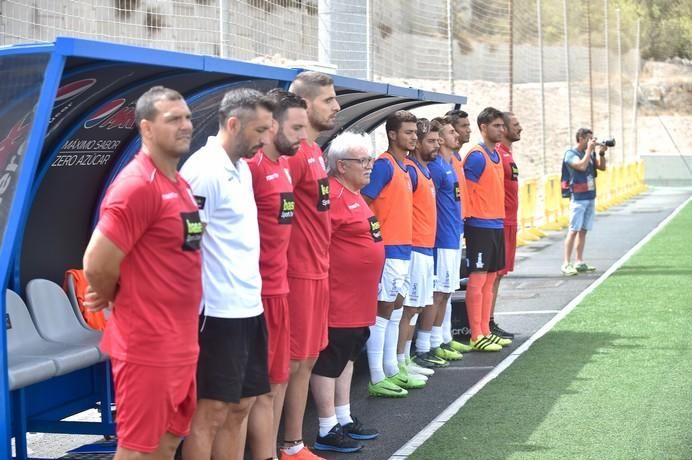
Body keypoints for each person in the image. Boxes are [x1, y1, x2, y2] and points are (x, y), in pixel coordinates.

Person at [83, 86, 202, 459]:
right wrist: (115, 294)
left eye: (186, 117)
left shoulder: (177, 182)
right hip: (147, 345)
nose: (185, 125)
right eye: (173, 119)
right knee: (137, 450)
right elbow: (96, 262)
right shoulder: (137, 186)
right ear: (147, 128)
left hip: (181, 342)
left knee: (168, 442)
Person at [179, 88, 274, 460]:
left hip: (249, 306)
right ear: (233, 124)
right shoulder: (203, 171)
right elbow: (185, 246)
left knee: (242, 407)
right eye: (259, 131)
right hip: (216, 313)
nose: (266, 139)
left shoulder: (242, 168)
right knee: (211, 413)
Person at [310, 132, 385, 453]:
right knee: (331, 360)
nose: (370, 166)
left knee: (349, 356)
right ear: (341, 165)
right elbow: (315, 243)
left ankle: (343, 416)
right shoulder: (331, 196)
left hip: (360, 297)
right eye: (363, 161)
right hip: (339, 297)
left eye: (370, 159)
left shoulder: (353, 193)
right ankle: (326, 427)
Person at [246, 89, 308, 459]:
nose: (303, 135)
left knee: (276, 382)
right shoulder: (251, 168)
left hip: (280, 289)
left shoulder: (283, 165)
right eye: (296, 127)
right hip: (256, 295)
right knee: (253, 394)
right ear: (271, 125)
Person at [282, 71, 340, 460]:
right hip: (297, 273)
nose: (336, 106)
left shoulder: (316, 153)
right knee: (293, 363)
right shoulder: (297, 155)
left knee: (309, 358)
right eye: (328, 100)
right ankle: (288, 444)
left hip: (318, 270)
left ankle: (294, 443)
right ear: (303, 105)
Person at [361, 110, 416, 398]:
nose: (413, 137)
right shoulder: (383, 165)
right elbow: (363, 201)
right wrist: (374, 236)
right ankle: (377, 375)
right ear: (392, 134)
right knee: (382, 309)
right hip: (389, 246)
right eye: (408, 132)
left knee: (395, 308)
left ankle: (392, 368)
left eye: (414, 132)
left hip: (403, 247)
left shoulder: (404, 167)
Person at [462, 107, 512, 352]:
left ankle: (485, 330)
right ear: (483, 128)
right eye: (496, 126)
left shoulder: (496, 156)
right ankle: (475, 334)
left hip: (495, 224)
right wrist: (466, 222)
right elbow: (465, 191)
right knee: (478, 280)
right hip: (479, 225)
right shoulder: (476, 155)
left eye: (503, 126)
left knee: (490, 279)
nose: (501, 130)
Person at [399, 118, 441, 375]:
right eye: (431, 141)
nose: (436, 145)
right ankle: (399, 360)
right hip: (413, 248)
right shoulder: (411, 171)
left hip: (426, 248)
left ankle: (405, 359)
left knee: (415, 308)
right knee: (407, 308)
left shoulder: (424, 171)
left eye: (438, 140)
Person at [422, 116, 464, 364]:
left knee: (447, 291)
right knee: (437, 293)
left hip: (452, 235)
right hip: (439, 239)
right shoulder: (436, 168)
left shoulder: (449, 164)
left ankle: (441, 338)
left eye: (441, 137)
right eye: (438, 137)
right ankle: (428, 344)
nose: (454, 136)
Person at [489, 112, 523, 340]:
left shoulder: (506, 154)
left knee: (498, 275)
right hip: (499, 223)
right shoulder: (498, 155)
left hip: (509, 221)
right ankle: (485, 324)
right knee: (492, 275)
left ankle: (489, 321)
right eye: (515, 125)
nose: (520, 128)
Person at [561, 128, 607, 276]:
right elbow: (580, 166)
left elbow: (602, 168)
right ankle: (566, 263)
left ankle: (579, 261)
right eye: (588, 139)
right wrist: (589, 151)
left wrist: (601, 153)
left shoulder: (589, 153)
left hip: (590, 196)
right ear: (580, 138)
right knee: (574, 230)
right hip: (578, 197)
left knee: (583, 230)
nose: (591, 142)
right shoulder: (570, 154)